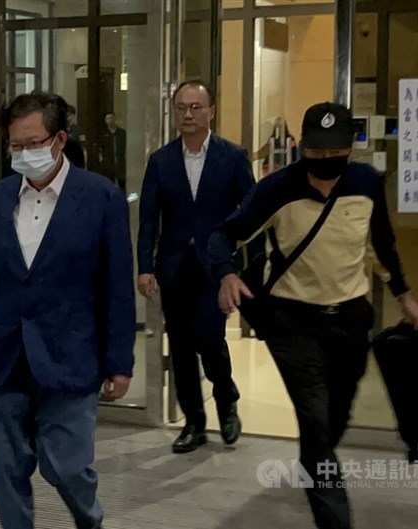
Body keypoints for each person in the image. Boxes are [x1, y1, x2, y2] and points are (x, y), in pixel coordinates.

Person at [208, 101, 418, 529]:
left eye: (335, 153)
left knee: (336, 416)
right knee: (314, 420)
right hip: (293, 322)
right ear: (301, 148)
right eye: (316, 152)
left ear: (350, 147)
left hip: (350, 318)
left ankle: (315, 460)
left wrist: (405, 295)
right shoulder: (277, 188)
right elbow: (225, 234)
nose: (325, 161)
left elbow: (382, 244)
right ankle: (334, 518)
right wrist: (225, 275)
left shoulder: (366, 183)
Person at [0, 92, 136, 529]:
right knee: (5, 470)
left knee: (67, 467)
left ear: (59, 140)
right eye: (15, 146)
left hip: (71, 354)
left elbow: (116, 287)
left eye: (32, 143)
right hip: (6, 352)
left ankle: (89, 520)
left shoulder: (100, 198)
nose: (23, 154)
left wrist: (120, 362)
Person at [137, 80, 255, 453]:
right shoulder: (161, 160)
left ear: (211, 111)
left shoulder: (233, 156)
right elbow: (147, 219)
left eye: (196, 107)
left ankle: (226, 399)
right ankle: (194, 423)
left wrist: (240, 267)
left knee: (209, 338)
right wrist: (145, 266)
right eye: (182, 108)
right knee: (182, 346)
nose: (188, 115)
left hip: (215, 268)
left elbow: (251, 215)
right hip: (173, 267)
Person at [99, 112, 127, 193]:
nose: (109, 121)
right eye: (107, 119)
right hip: (108, 164)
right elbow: (100, 149)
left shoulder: (122, 133)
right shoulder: (103, 134)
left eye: (111, 118)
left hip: (120, 162)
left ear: (115, 119)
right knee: (109, 184)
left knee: (122, 185)